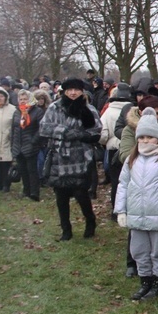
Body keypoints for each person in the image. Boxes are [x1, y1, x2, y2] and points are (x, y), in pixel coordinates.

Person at [115, 108, 158, 300]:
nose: (145, 141)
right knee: (138, 250)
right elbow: (123, 184)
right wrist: (121, 210)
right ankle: (145, 282)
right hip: (137, 214)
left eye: (150, 137)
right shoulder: (132, 159)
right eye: (142, 137)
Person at [39, 78, 103, 240]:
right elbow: (44, 128)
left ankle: (90, 221)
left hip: (81, 158)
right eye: (69, 90)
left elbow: (97, 130)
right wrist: (65, 132)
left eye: (76, 89)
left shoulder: (88, 109)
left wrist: (83, 135)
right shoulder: (55, 108)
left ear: (82, 91)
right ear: (64, 91)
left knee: (82, 195)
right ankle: (66, 230)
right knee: (61, 197)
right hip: (59, 159)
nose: (73, 93)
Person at [100, 83, 132, 213]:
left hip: (113, 150)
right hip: (131, 149)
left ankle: (116, 211)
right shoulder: (133, 111)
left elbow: (103, 134)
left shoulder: (108, 111)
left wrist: (106, 142)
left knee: (116, 181)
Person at [11, 90, 45, 201]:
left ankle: (34, 193)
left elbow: (41, 128)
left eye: (25, 99)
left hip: (31, 144)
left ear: (30, 99)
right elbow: (13, 129)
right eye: (20, 99)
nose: (22, 101)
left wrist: (33, 141)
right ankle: (26, 190)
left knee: (32, 170)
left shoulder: (37, 111)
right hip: (18, 145)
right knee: (23, 170)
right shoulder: (17, 112)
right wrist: (13, 144)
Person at [0, 87, 16, 192]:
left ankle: (6, 185)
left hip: (7, 139)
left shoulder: (13, 109)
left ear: (6, 97)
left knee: (6, 163)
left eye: (1, 96)